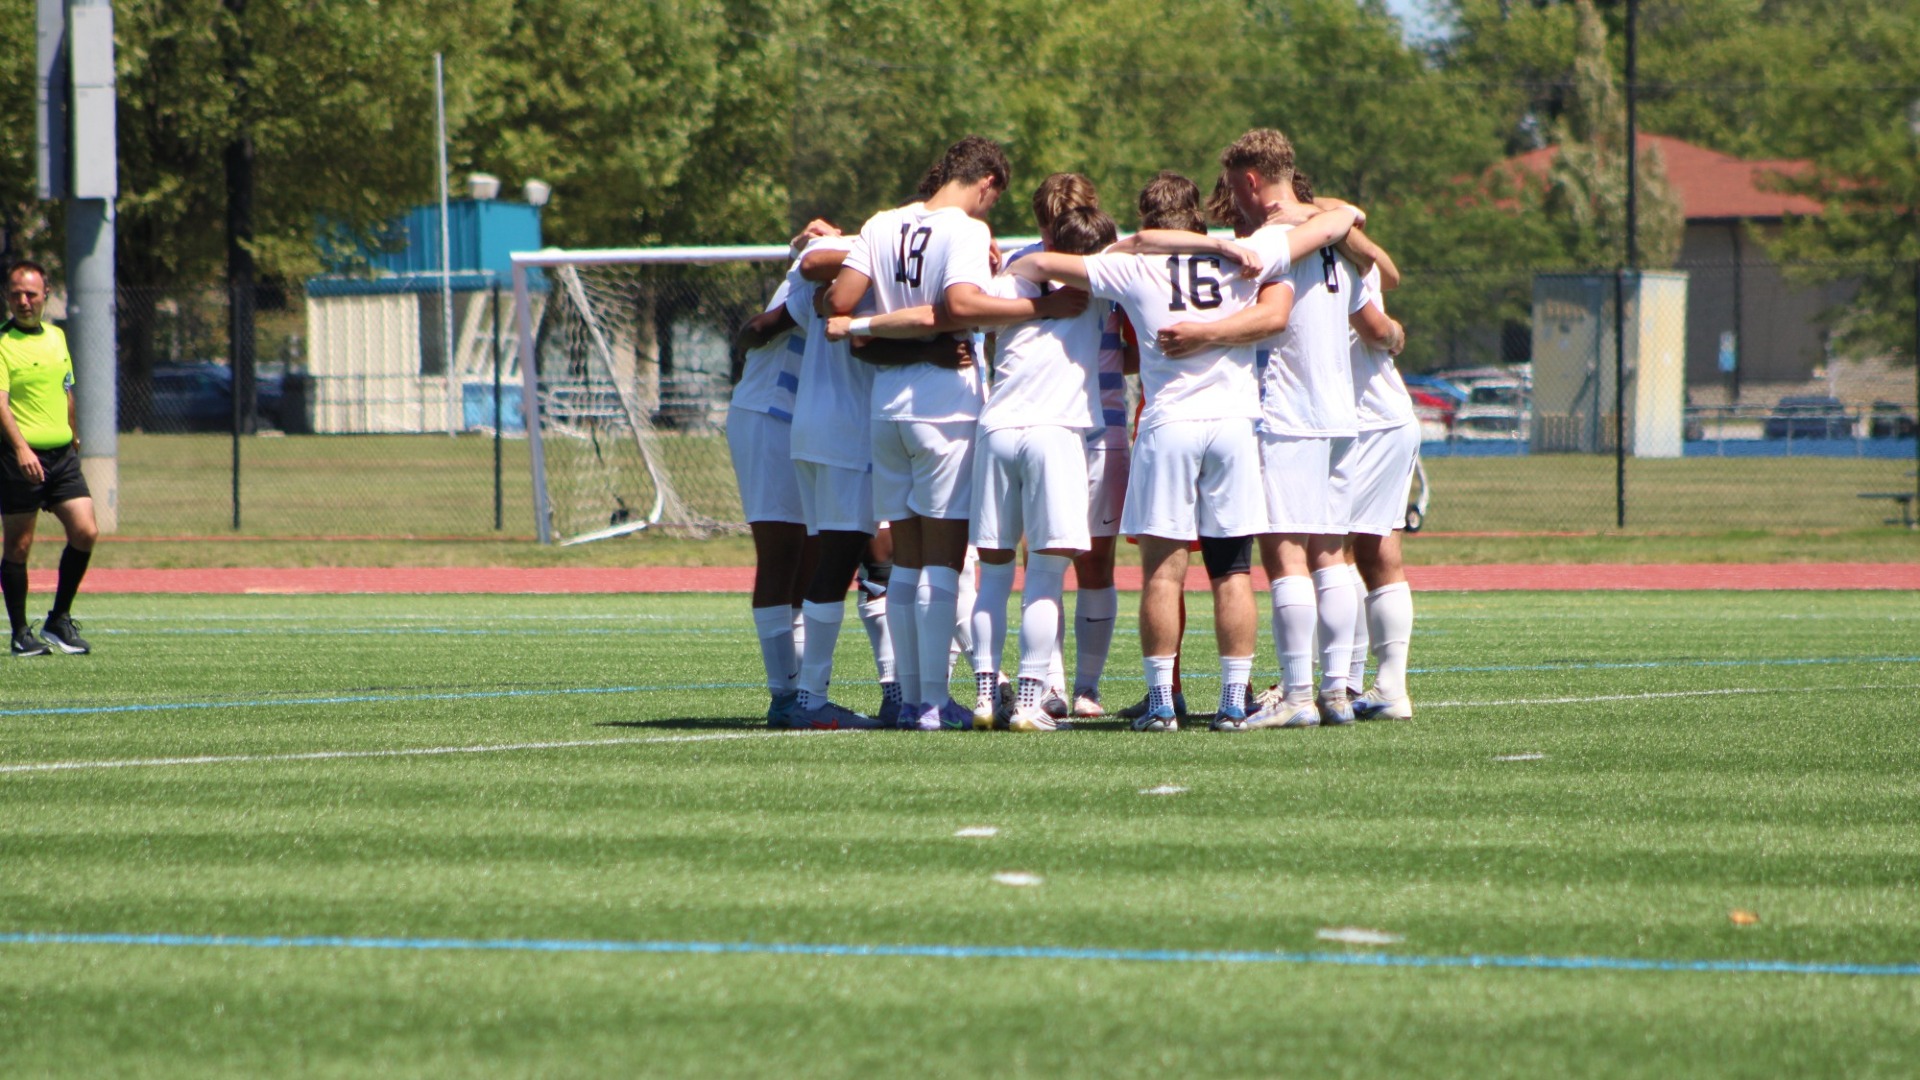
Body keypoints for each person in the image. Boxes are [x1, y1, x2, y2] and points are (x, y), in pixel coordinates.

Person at [1009, 173, 1362, 732]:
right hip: (1234, 425)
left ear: (1146, 221)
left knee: (1162, 574)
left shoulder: (1133, 263)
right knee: (1233, 572)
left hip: (1168, 424)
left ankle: (1159, 704)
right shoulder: (1246, 253)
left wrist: (1119, 251)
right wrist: (1230, 244)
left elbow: (1039, 265)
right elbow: (1341, 218)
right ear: (1198, 215)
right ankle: (1229, 700)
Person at [825, 136, 1085, 731]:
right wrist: (1040, 310)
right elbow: (961, 305)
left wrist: (885, 327)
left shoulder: (882, 222)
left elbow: (837, 300)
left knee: (908, 561)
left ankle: (915, 699)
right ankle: (932, 703)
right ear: (987, 182)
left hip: (886, 405)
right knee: (943, 562)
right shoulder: (963, 229)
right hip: (945, 407)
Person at [0, 260, 98, 657]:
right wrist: (22, 448)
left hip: (62, 457)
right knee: (19, 547)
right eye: (15, 294)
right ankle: (21, 632)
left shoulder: (57, 337)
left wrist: (74, 434)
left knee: (85, 531)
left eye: (31, 294)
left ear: (45, 296)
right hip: (18, 457)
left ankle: (58, 619)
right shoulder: (3, 343)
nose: (23, 301)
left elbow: (66, 388)